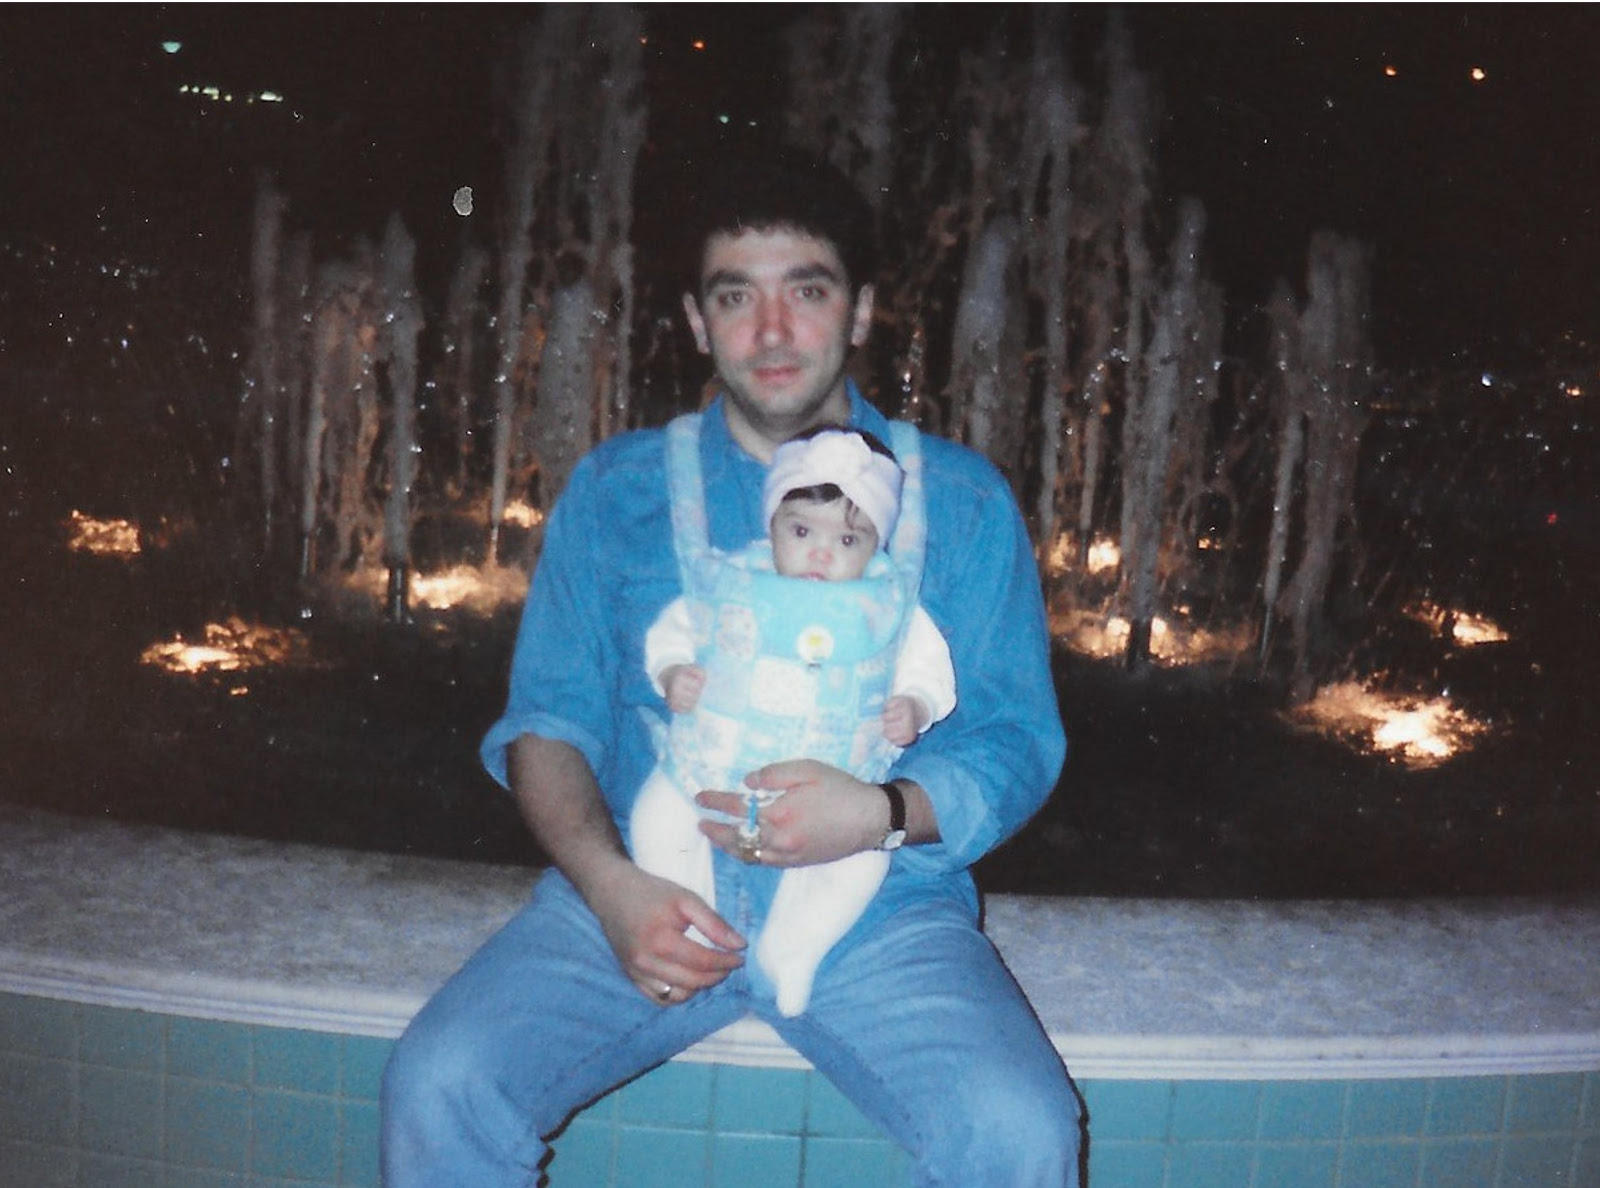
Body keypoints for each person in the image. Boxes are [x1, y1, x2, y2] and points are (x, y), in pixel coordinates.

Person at [380, 149, 1082, 1186]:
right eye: (734, 297)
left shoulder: (962, 503)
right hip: (645, 882)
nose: (771, 330)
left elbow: (1016, 737)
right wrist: (613, 890)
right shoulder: (616, 491)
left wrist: (881, 812)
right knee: (439, 1084)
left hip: (879, 910)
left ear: (859, 312)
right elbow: (549, 723)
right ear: (698, 323)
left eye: (806, 291)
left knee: (1023, 1129)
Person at [631, 424, 957, 1017]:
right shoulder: (734, 580)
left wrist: (917, 704)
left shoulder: (887, 603)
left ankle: (796, 948)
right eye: (802, 530)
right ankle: (697, 922)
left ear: (876, 546)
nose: (821, 553)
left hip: (831, 794)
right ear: (772, 526)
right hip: (707, 766)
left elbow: (928, 666)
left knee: (861, 866)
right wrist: (672, 670)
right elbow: (675, 629)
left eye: (849, 539)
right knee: (656, 821)